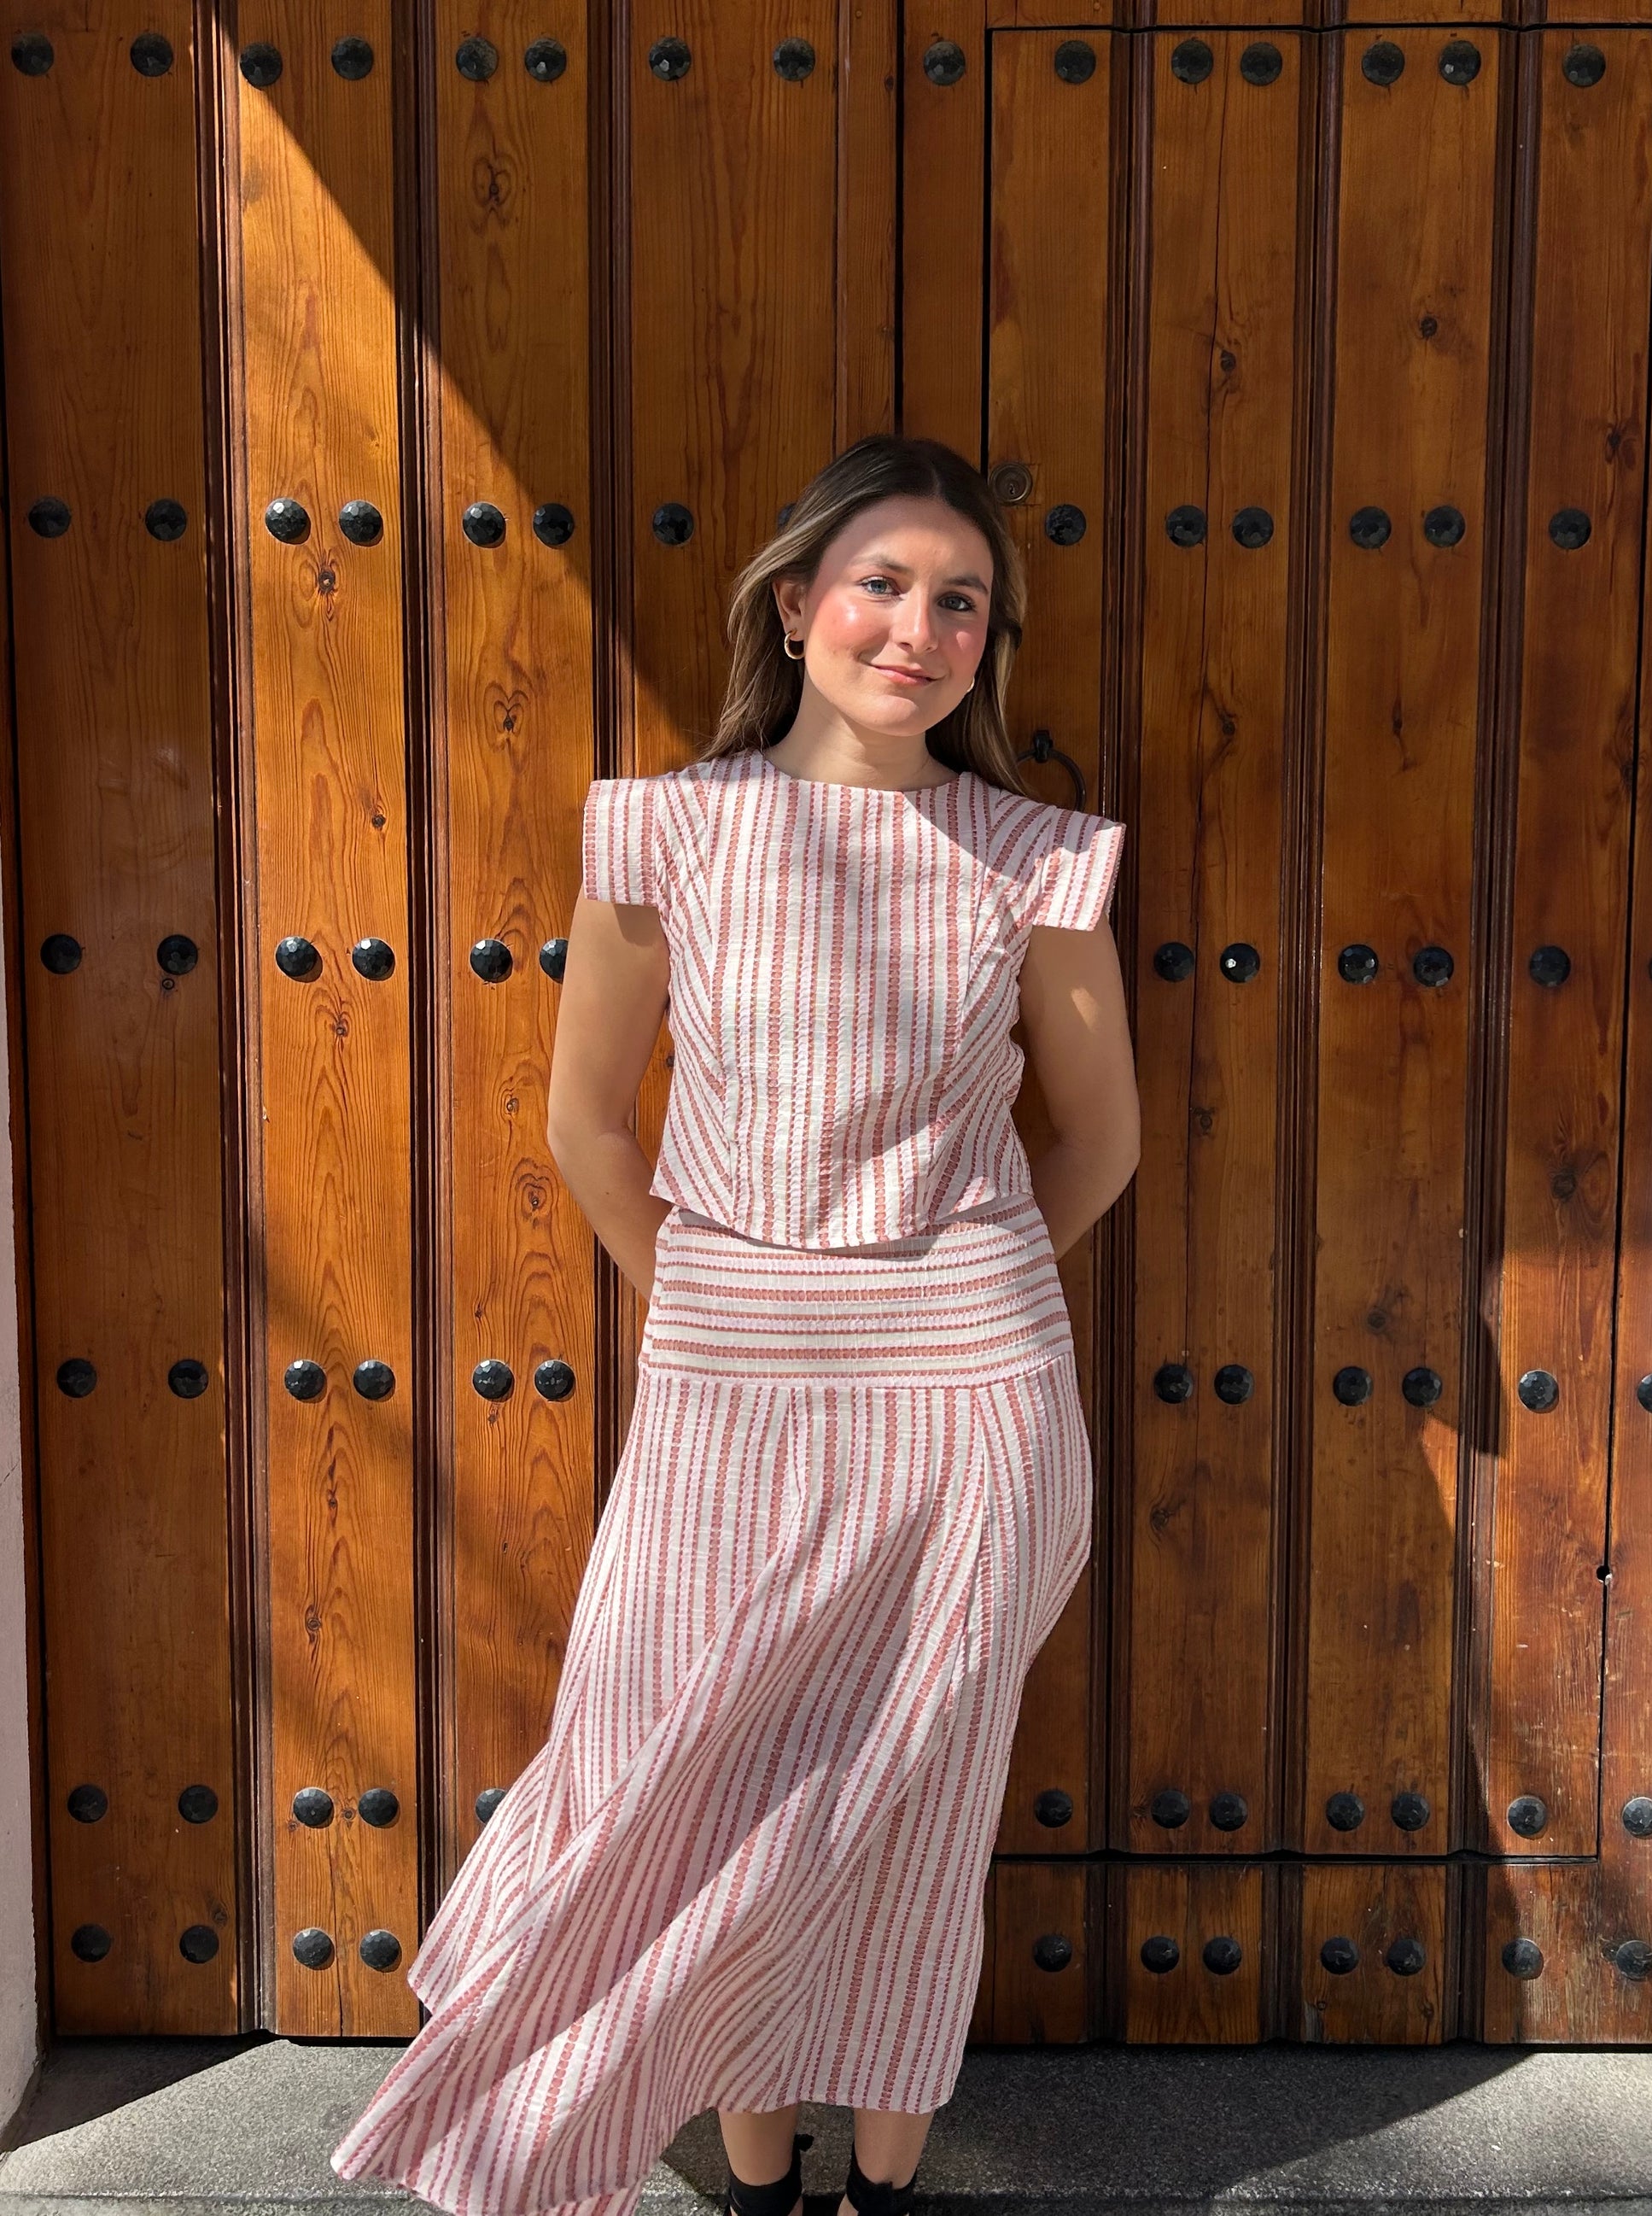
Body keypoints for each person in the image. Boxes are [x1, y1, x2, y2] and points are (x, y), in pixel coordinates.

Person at [330, 434, 1140, 2216]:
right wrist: (713, 1298)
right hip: (724, 1381)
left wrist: (958, 1283)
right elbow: (586, 1122)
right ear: (792, 607)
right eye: (881, 584)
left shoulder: (1034, 857)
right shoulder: (665, 830)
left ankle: (880, 2188)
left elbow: (1098, 1138)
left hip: (970, 1404)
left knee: (913, 1796)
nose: (917, 630)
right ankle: (759, 2179)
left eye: (960, 602)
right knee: (681, 1772)